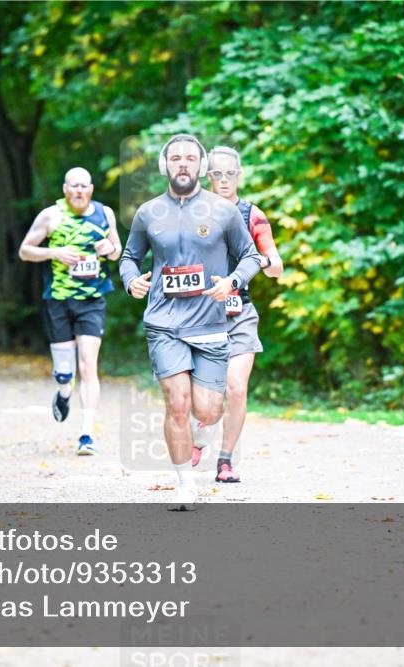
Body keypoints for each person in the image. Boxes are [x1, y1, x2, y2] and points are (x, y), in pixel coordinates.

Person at [120, 134, 261, 510]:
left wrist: (233, 281)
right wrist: (130, 279)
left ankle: (202, 435)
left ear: (200, 166)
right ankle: (184, 484)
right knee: (176, 403)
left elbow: (251, 257)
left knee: (209, 411)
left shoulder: (223, 211)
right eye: (175, 158)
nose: (183, 163)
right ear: (164, 165)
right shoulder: (148, 212)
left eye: (189, 158)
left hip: (212, 324)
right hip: (164, 323)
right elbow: (128, 257)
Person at [19, 168, 122, 456]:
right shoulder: (50, 216)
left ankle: (87, 434)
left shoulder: (105, 214)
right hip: (59, 300)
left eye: (84, 186)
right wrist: (55, 253)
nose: (79, 190)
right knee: (66, 372)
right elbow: (25, 251)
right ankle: (64, 391)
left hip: (93, 299)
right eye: (73, 186)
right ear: (66, 189)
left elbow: (117, 251)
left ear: (91, 189)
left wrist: (108, 248)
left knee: (88, 364)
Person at [199, 146, 283, 483]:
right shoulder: (194, 212)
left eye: (229, 173)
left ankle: (225, 461)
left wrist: (258, 262)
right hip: (200, 313)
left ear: (239, 175)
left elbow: (277, 266)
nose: (223, 180)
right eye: (216, 174)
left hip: (240, 312)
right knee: (207, 397)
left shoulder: (253, 215)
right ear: (208, 177)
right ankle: (200, 432)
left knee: (235, 388)